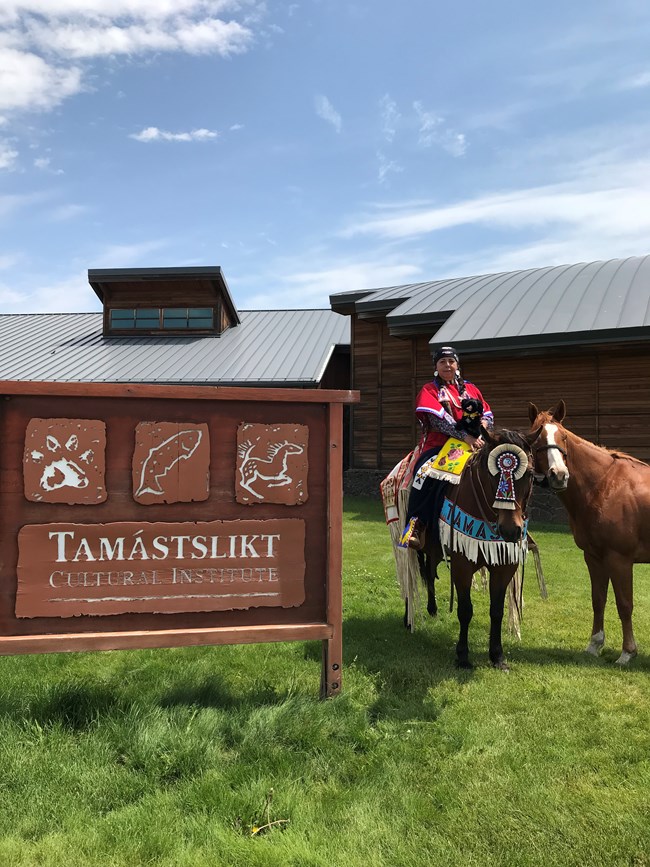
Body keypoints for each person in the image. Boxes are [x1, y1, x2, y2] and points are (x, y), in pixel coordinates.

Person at [400, 345, 493, 550]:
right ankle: (416, 526)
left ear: (457, 365)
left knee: (502, 468)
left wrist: (481, 431)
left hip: (476, 442)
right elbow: (438, 420)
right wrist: (465, 437)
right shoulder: (430, 390)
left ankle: (509, 523)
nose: (447, 365)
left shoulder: (471, 389)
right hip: (440, 445)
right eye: (442, 362)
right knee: (424, 475)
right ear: (436, 367)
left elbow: (487, 414)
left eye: (451, 361)